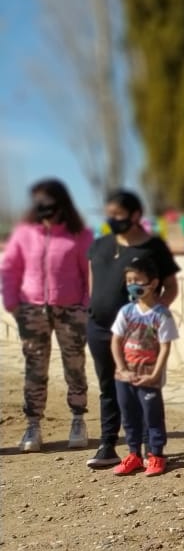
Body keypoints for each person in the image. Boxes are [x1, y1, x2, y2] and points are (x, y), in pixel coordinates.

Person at [86, 190, 180, 469]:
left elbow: (171, 287)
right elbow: (94, 282)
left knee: (143, 390)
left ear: (136, 215)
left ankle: (152, 450)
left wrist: (150, 315)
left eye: (119, 215)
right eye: (110, 214)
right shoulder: (100, 244)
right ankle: (109, 443)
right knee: (108, 385)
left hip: (139, 336)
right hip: (101, 327)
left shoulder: (153, 247)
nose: (113, 219)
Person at [3, 179, 92, 452]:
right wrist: (13, 303)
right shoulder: (24, 233)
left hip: (71, 310)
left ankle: (78, 419)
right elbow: (9, 267)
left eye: (49, 203)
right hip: (31, 310)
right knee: (35, 368)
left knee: (74, 365)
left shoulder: (79, 234)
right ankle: (33, 425)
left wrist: (86, 306)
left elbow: (89, 271)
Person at [108, 257, 178, 477]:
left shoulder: (161, 315)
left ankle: (156, 455)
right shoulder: (126, 312)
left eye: (138, 280)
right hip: (125, 378)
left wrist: (155, 375)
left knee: (152, 417)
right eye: (129, 280)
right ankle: (133, 455)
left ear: (153, 283)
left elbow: (165, 348)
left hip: (149, 378)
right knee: (129, 417)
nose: (133, 285)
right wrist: (122, 369)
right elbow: (115, 342)